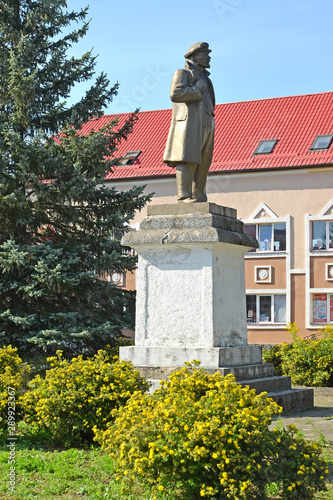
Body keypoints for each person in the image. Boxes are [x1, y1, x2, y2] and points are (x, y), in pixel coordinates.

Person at [163, 42, 215, 202]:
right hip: (189, 122)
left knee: (204, 160)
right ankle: (184, 195)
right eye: (205, 55)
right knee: (188, 157)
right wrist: (197, 90)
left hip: (206, 120)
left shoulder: (206, 79)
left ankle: (198, 194)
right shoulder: (183, 73)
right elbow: (176, 94)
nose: (208, 57)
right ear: (194, 56)